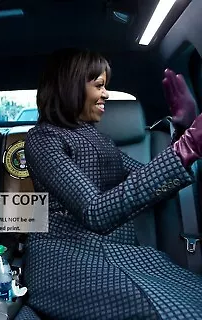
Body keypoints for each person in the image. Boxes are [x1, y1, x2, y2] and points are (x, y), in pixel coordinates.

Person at [16, 48, 202, 319]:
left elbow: (151, 183)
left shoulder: (100, 139)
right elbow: (95, 211)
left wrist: (182, 135)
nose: (106, 94)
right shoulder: (43, 138)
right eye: (99, 86)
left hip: (120, 256)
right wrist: (184, 149)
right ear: (71, 88)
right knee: (176, 313)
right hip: (66, 262)